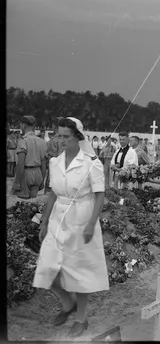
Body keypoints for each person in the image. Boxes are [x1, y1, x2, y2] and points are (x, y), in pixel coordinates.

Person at [33, 117, 108, 338]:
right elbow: (53, 193)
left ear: (78, 137)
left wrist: (91, 224)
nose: (61, 140)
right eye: (59, 135)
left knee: (79, 272)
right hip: (58, 218)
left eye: (66, 136)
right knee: (46, 267)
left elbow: (100, 195)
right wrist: (44, 221)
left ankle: (81, 318)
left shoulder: (91, 163)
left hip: (82, 217)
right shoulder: (54, 162)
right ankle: (68, 302)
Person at [11, 116, 47, 199]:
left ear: (23, 126)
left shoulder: (23, 141)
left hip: (26, 173)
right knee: (32, 204)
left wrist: (17, 182)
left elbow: (21, 163)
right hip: (38, 172)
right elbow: (44, 163)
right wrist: (42, 180)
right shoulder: (41, 142)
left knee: (22, 204)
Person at [45, 117, 64, 194]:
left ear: (54, 126)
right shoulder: (69, 138)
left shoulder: (54, 140)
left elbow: (50, 155)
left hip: (55, 170)